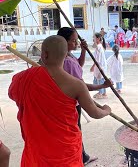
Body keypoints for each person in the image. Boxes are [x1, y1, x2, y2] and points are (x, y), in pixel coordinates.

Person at [8, 35, 112, 166]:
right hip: (66, 150)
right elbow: (95, 113)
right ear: (65, 55)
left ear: (44, 54)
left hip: (38, 147)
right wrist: (107, 110)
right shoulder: (76, 85)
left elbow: (13, 94)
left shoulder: (23, 78)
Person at [57, 27, 112, 165]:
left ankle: (82, 156)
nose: (76, 43)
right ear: (64, 42)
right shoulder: (67, 61)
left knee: (74, 130)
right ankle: (79, 158)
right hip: (71, 104)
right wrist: (102, 86)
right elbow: (80, 87)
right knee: (75, 131)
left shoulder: (66, 56)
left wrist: (83, 50)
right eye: (73, 41)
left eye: (77, 40)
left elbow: (79, 64)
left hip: (66, 102)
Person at [90, 33, 108, 99]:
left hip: (100, 65)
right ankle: (103, 92)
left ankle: (101, 93)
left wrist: (93, 66)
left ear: (98, 39)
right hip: (101, 65)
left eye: (94, 38)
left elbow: (97, 59)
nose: (93, 39)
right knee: (102, 79)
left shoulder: (99, 47)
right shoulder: (99, 46)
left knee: (100, 79)